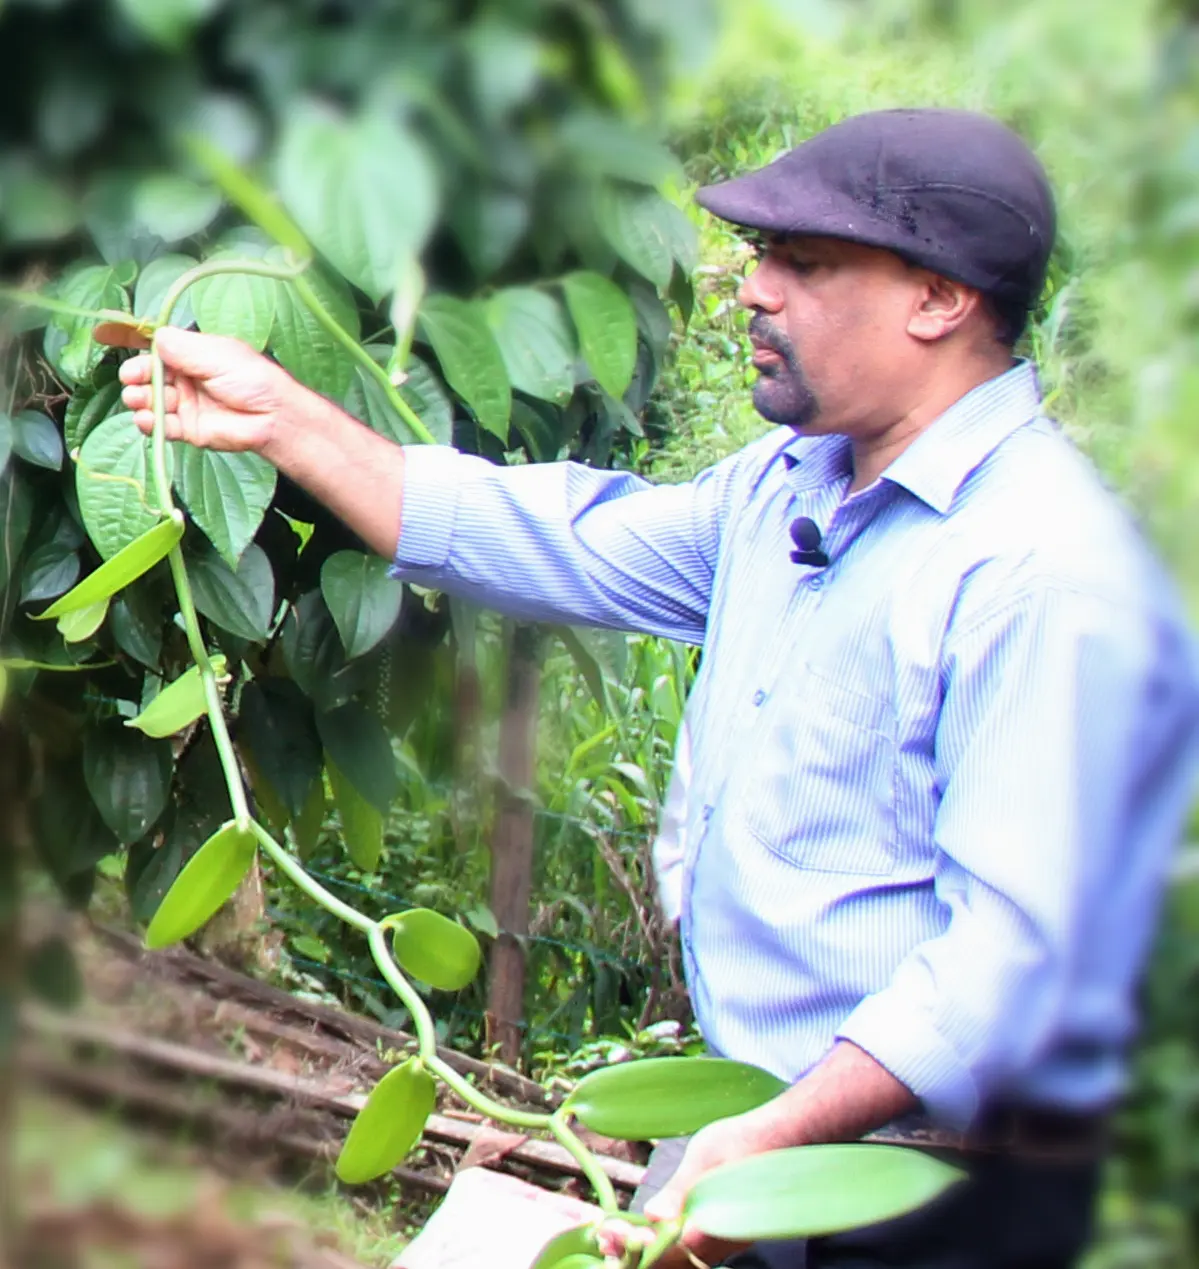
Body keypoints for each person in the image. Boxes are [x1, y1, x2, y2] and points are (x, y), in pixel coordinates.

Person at [117, 108, 1199, 1269]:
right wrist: (284, 419)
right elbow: (564, 540)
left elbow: (1013, 963)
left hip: (928, 1198)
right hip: (767, 1150)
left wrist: (771, 1139)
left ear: (938, 300)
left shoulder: (1042, 573)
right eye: (761, 256)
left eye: (804, 261)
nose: (753, 289)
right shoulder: (788, 489)